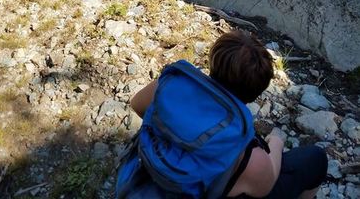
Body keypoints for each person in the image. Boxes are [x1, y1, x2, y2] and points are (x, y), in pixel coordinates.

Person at [128, 31, 328, 199]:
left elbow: (137, 104)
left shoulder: (170, 85)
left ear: (213, 62)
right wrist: (276, 142)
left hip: (144, 182)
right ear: (254, 94)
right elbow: (265, 186)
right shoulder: (248, 153)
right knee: (315, 159)